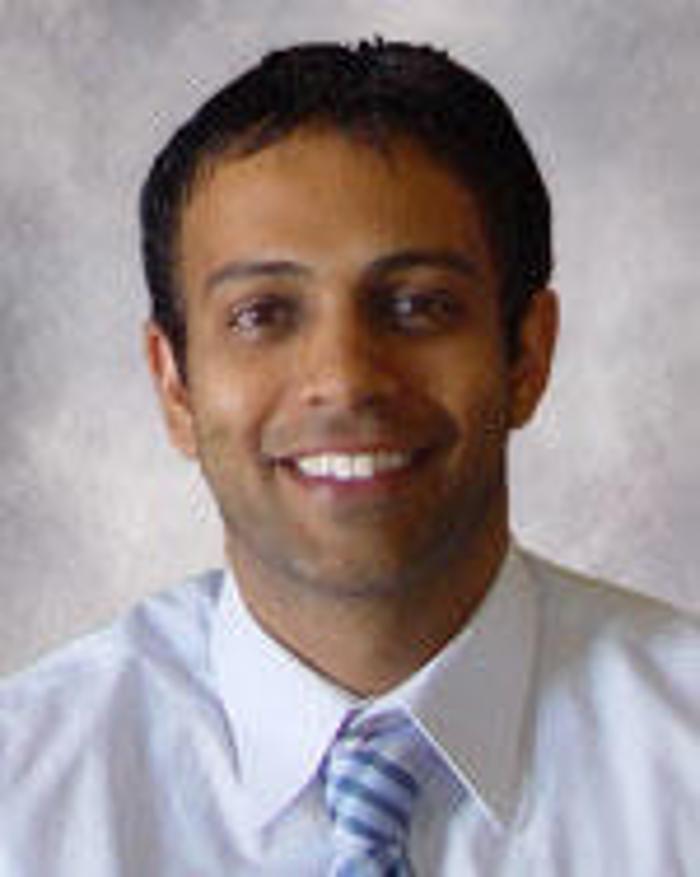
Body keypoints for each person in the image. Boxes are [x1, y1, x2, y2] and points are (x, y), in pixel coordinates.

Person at [1, 38, 698, 876]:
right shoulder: (24, 794)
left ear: (526, 354)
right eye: (262, 314)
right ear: (175, 384)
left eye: (419, 305)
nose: (345, 379)